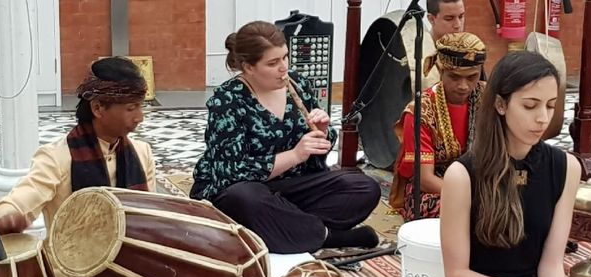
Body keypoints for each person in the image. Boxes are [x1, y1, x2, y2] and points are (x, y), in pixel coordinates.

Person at [440, 51, 591, 277]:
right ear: (501, 104)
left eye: (551, 106)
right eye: (530, 106)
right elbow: (457, 276)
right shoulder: (461, 175)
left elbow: (550, 263)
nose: (542, 118)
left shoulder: (566, 168)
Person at [190, 21, 381, 254]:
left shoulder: (298, 84)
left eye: (285, 57)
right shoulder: (227, 100)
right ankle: (327, 236)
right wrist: (295, 155)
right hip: (246, 191)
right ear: (249, 67)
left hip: (292, 189)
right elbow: (230, 173)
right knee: (244, 197)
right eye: (273, 63)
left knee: (364, 187)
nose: (284, 68)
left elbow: (316, 155)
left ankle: (289, 230)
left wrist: (321, 133)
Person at [0, 56, 155, 277]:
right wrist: (7, 217)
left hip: (132, 271)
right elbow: (21, 200)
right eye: (131, 108)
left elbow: (153, 218)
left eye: (140, 106)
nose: (140, 117)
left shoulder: (141, 152)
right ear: (98, 108)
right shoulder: (57, 157)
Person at [390, 32, 486, 221]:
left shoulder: (487, 97)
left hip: (479, 181)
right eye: (454, 77)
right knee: (463, 211)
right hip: (435, 189)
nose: (464, 86)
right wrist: (472, 195)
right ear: (440, 70)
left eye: (472, 77)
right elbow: (425, 180)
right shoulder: (420, 110)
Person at [422, 0, 466, 84]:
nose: (458, 25)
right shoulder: (419, 57)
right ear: (431, 19)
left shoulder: (471, 51)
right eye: (449, 19)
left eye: (461, 16)